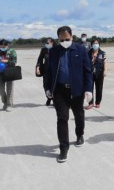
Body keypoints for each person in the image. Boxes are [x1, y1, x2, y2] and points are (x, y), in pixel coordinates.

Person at [43, 26, 93, 163]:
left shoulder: (81, 50)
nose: (65, 41)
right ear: (58, 39)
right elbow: (47, 72)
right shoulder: (53, 52)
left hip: (77, 90)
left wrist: (89, 89)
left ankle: (79, 134)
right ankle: (63, 148)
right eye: (62, 39)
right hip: (59, 91)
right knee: (62, 118)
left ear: (72, 37)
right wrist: (47, 88)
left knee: (79, 115)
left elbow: (87, 71)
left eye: (67, 39)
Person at [85, 38, 108, 110]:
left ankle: (98, 102)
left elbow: (105, 62)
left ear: (99, 44)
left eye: (96, 43)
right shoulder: (87, 53)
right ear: (91, 45)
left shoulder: (103, 53)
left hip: (99, 73)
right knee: (89, 88)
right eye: (94, 43)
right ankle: (90, 103)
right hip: (90, 73)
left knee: (99, 88)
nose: (95, 45)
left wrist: (105, 71)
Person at [36, 37, 57, 106]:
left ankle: (54, 99)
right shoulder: (44, 50)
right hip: (46, 69)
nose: (46, 44)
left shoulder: (56, 49)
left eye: (47, 43)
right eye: (45, 43)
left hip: (55, 70)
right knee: (45, 84)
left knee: (53, 85)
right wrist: (38, 67)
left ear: (52, 42)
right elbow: (40, 59)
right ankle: (48, 97)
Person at [0, 39, 17, 112]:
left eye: (4, 46)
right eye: (1, 46)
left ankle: (9, 104)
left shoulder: (12, 51)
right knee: (1, 89)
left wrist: (7, 61)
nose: (3, 47)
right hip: (0, 72)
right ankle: (4, 102)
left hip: (9, 71)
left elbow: (14, 61)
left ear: (7, 45)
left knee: (9, 89)